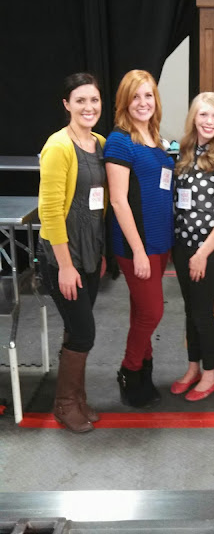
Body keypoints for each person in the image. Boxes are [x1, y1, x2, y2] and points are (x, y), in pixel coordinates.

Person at [38, 72, 106, 433]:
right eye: (80, 100)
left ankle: (77, 398)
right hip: (63, 258)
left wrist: (99, 251)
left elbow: (100, 205)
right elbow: (49, 212)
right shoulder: (58, 146)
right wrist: (65, 266)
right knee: (83, 333)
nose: (88, 107)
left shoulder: (101, 143)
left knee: (76, 329)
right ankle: (64, 404)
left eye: (94, 100)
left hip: (90, 254)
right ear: (67, 104)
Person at [104, 69, 174, 407]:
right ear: (124, 102)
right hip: (137, 245)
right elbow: (119, 201)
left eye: (148, 95)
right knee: (152, 313)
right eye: (135, 96)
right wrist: (139, 251)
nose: (143, 102)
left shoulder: (156, 138)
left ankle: (144, 372)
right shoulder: (120, 140)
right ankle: (129, 369)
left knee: (141, 311)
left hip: (160, 242)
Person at [171, 92, 214, 401]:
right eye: (203, 114)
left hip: (207, 250)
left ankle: (211, 374)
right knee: (190, 311)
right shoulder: (186, 152)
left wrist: (202, 254)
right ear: (193, 118)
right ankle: (193, 368)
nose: (209, 121)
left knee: (202, 312)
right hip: (182, 245)